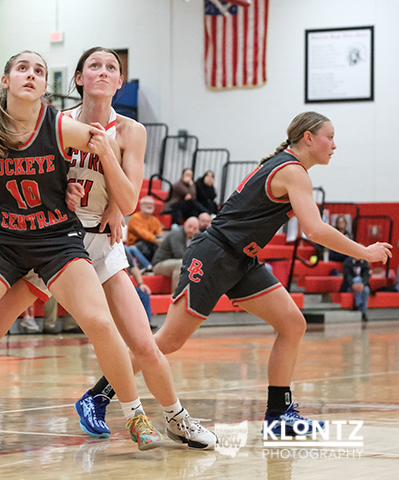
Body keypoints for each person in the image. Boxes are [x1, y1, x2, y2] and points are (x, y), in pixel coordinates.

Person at [0, 46, 216, 449]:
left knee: (142, 342)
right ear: (77, 78)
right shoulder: (56, 120)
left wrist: (114, 207)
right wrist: (47, 192)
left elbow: (128, 195)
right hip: (52, 236)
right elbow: (17, 166)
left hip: (97, 241)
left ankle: (175, 419)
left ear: (120, 81)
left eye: (112, 67)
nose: (103, 72)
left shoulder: (129, 131)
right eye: (94, 66)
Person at [87, 111, 392, 440]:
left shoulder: (287, 167)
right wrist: (364, 251)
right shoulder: (292, 171)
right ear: (308, 137)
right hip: (215, 255)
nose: (334, 145)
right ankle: (96, 396)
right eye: (329, 137)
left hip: (241, 259)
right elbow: (315, 230)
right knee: (167, 341)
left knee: (293, 324)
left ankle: (278, 415)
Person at [152, 216, 200, 292]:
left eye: (194, 229)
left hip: (172, 264)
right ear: (185, 224)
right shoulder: (177, 233)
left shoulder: (196, 237)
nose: (191, 230)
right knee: (181, 264)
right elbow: (179, 255)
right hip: (159, 264)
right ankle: (176, 295)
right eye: (190, 226)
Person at [127, 195, 164, 261]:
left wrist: (162, 239)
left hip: (152, 242)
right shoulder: (135, 217)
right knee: (146, 246)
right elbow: (142, 233)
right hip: (136, 244)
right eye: (146, 204)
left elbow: (159, 233)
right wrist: (155, 240)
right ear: (140, 206)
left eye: (151, 204)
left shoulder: (155, 220)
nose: (149, 206)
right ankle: (147, 265)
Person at [340, 254, 370, 322]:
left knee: (366, 290)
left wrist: (363, 284)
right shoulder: (347, 262)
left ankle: (361, 309)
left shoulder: (365, 263)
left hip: (361, 286)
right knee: (357, 279)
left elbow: (366, 276)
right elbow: (347, 276)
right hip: (349, 286)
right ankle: (361, 309)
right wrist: (353, 284)